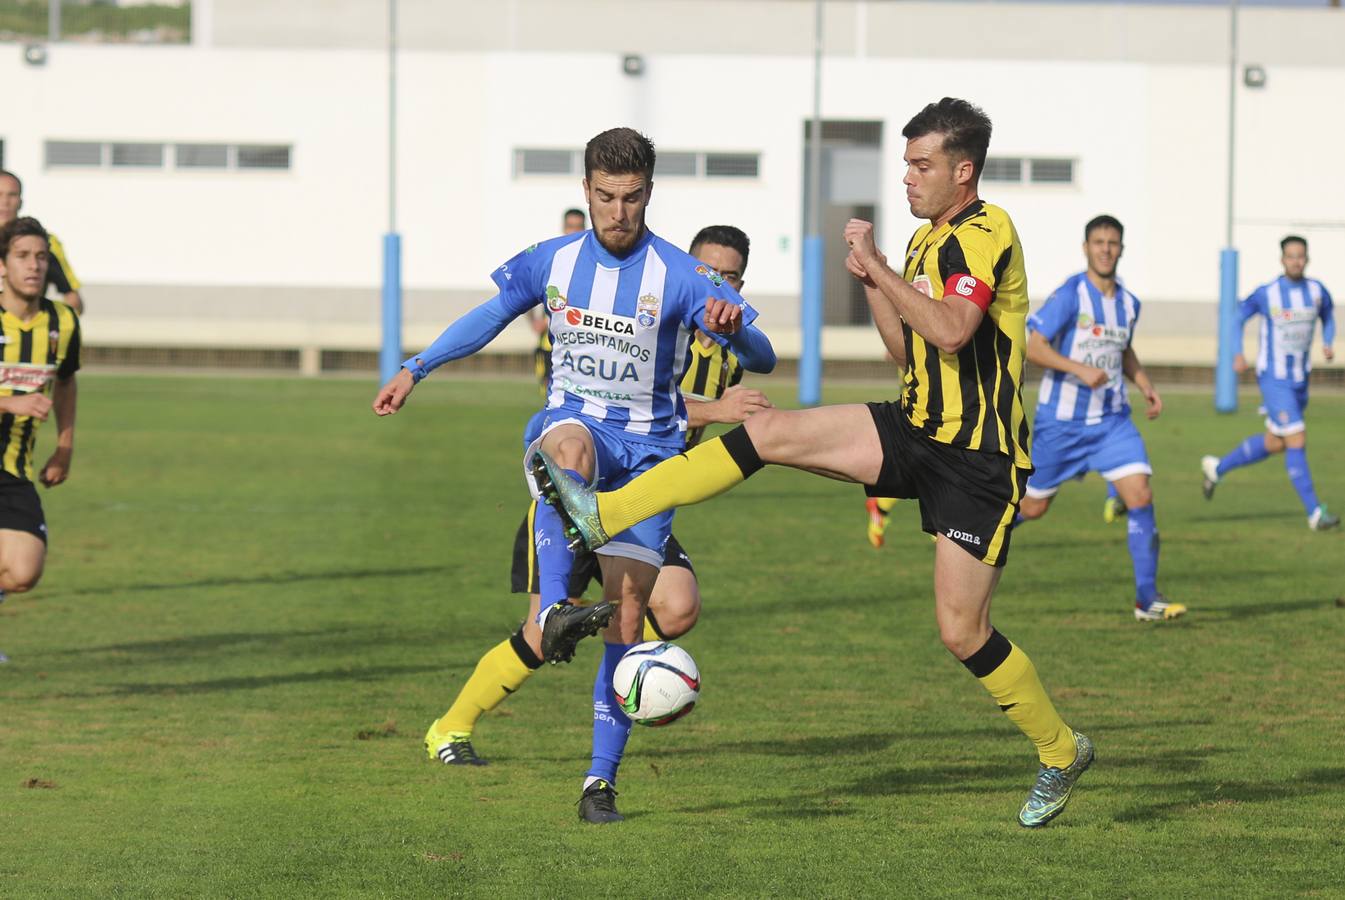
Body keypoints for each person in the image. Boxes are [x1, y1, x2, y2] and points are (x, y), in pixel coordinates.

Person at [537, 98, 1093, 829]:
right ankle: (601, 513)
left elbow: (955, 332)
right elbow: (909, 351)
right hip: (915, 426)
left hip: (976, 461)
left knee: (961, 632)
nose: (905, 177)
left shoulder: (986, 232)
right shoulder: (930, 242)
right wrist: (871, 281)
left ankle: (1059, 750)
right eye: (905, 164)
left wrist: (882, 271)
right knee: (767, 431)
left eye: (920, 165)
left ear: (963, 171)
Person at [373, 128, 775, 823]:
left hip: (650, 463)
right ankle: (550, 613)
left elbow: (761, 354)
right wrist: (416, 367)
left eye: (631, 198)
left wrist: (733, 327)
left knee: (630, 624)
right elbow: (491, 314)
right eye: (604, 196)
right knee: (566, 447)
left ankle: (598, 784)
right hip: (576, 429)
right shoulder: (552, 261)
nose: (618, 211)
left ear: (649, 193)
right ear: (585, 190)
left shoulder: (682, 275)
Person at [422, 225, 772, 772]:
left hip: (641, 496)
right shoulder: (652, 312)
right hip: (578, 486)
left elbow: (751, 362)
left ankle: (608, 639)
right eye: (710, 273)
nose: (716, 287)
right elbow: (636, 396)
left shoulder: (725, 356)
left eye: (729, 279)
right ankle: (451, 725)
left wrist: (737, 344)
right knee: (540, 635)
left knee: (677, 610)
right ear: (687, 270)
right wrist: (713, 410)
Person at [1015, 215, 1184, 622]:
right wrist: (1078, 369)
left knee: (1140, 495)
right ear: (1086, 248)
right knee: (1032, 509)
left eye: (1112, 242)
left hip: (1112, 422)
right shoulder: (1071, 294)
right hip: (1062, 424)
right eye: (1098, 242)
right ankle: (970, 533)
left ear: (1121, 249)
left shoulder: (1129, 303)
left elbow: (1122, 350)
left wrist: (1144, 384)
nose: (1106, 248)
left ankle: (1147, 600)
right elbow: (1033, 348)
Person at [1201, 236, 1336, 530]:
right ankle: (1315, 513)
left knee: (1277, 442)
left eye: (1300, 256)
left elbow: (1329, 315)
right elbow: (1237, 317)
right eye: (1290, 256)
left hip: (1301, 379)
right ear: (1282, 260)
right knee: (1297, 438)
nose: (1296, 261)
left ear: (1307, 259)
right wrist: (1237, 352)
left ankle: (1217, 468)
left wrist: (1327, 341)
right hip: (1274, 378)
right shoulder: (1268, 293)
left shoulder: (1316, 291)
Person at [0, 217, 83, 664]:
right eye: (22, 256)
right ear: (2, 265)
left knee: (23, 572)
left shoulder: (63, 322)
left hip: (13, 468)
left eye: (41, 258)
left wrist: (65, 446)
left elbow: (67, 382)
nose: (34, 266)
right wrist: (8, 404)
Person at [0, 171, 85, 314]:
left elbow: (73, 299)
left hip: (25, 328)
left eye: (12, 195)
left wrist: (54, 327)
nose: (5, 202)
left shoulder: (44, 242)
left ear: (20, 202)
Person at [529, 209, 589, 397]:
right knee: (550, 395)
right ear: (563, 228)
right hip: (550, 345)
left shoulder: (592, 262)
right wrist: (534, 320)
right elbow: (525, 292)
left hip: (581, 345)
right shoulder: (553, 259)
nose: (574, 232)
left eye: (578, 227)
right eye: (570, 227)